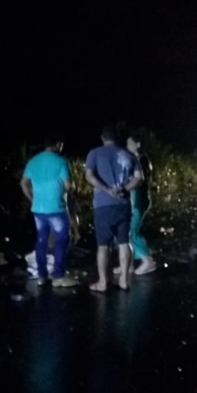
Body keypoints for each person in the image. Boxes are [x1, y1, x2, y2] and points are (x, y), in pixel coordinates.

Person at [85, 125, 143, 292]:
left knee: (103, 246)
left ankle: (103, 282)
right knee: (124, 242)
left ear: (102, 138)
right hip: (123, 204)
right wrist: (124, 189)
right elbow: (139, 178)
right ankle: (124, 281)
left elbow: (89, 176)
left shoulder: (94, 153)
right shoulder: (129, 155)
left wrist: (107, 189)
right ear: (117, 139)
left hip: (103, 205)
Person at [20, 135, 80, 288]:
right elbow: (68, 186)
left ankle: (42, 276)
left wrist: (32, 198)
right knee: (61, 240)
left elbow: (23, 183)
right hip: (56, 208)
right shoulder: (60, 161)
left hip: (38, 210)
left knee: (41, 240)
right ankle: (58, 276)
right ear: (58, 144)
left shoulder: (33, 161)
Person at [113, 133, 156, 275]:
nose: (127, 146)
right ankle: (128, 264)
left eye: (130, 143)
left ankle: (147, 260)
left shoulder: (142, 160)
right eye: (126, 143)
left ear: (138, 144)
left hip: (139, 201)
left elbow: (139, 180)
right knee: (125, 231)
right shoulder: (133, 159)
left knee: (132, 231)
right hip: (132, 201)